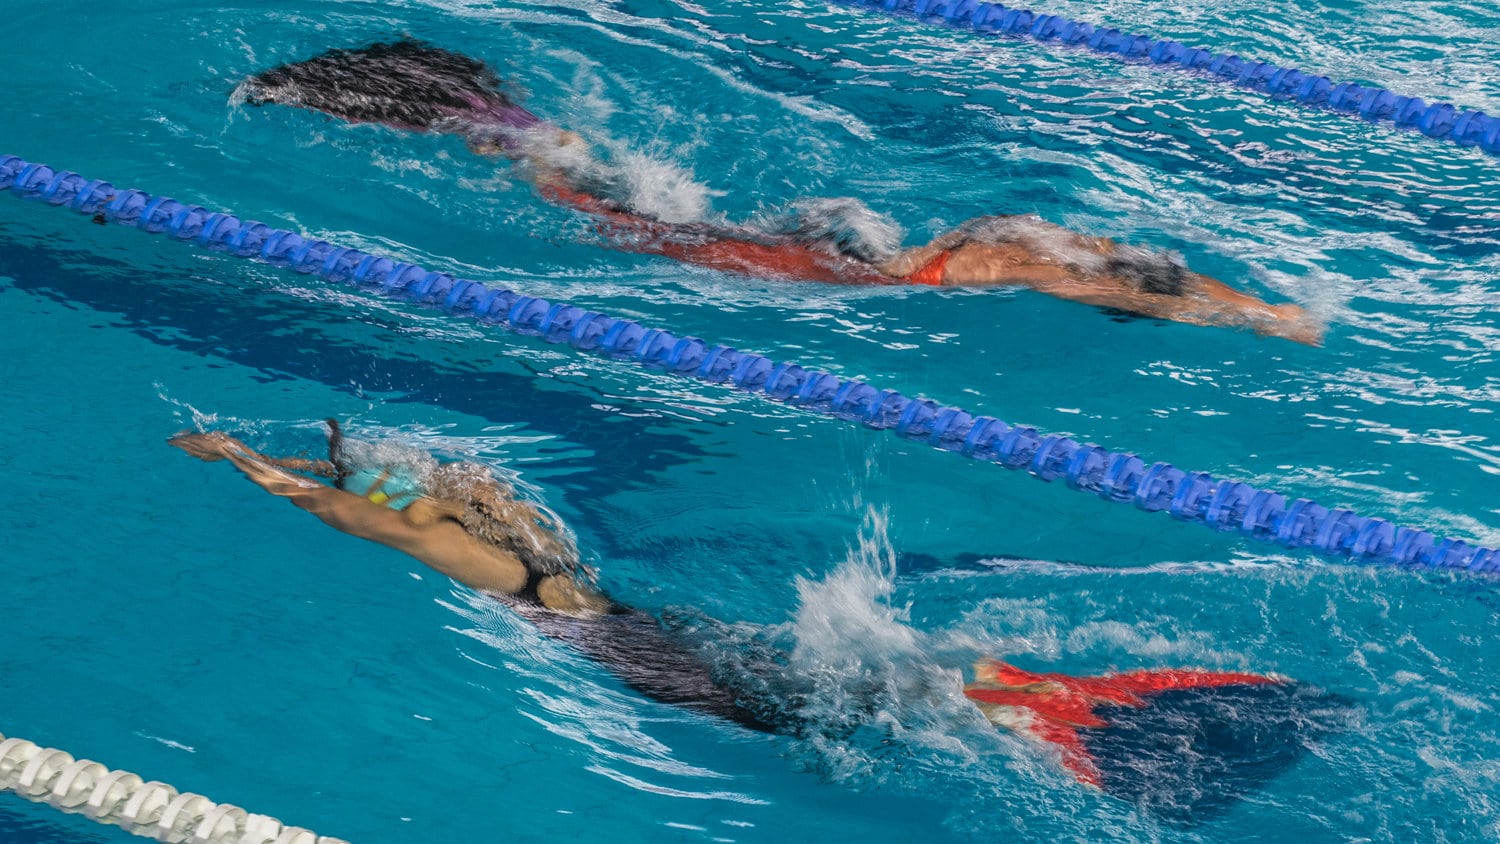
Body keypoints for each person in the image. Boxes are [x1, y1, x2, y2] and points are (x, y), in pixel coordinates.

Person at [170, 420, 1340, 819]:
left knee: (823, 715)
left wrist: (240, 460)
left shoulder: (444, 544)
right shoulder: (497, 512)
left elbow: (337, 509)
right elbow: (373, 489)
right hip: (652, 617)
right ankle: (1021, 685)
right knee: (836, 670)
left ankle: (1038, 719)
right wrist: (319, 461)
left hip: (636, 656)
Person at [236, 41, 1322, 345]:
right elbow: (1116, 288)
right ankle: (458, 111)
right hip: (814, 264)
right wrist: (1263, 319)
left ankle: (483, 113)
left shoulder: (1043, 235)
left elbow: (1145, 275)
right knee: (591, 206)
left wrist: (1263, 309)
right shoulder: (1032, 264)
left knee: (604, 193)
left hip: (850, 244)